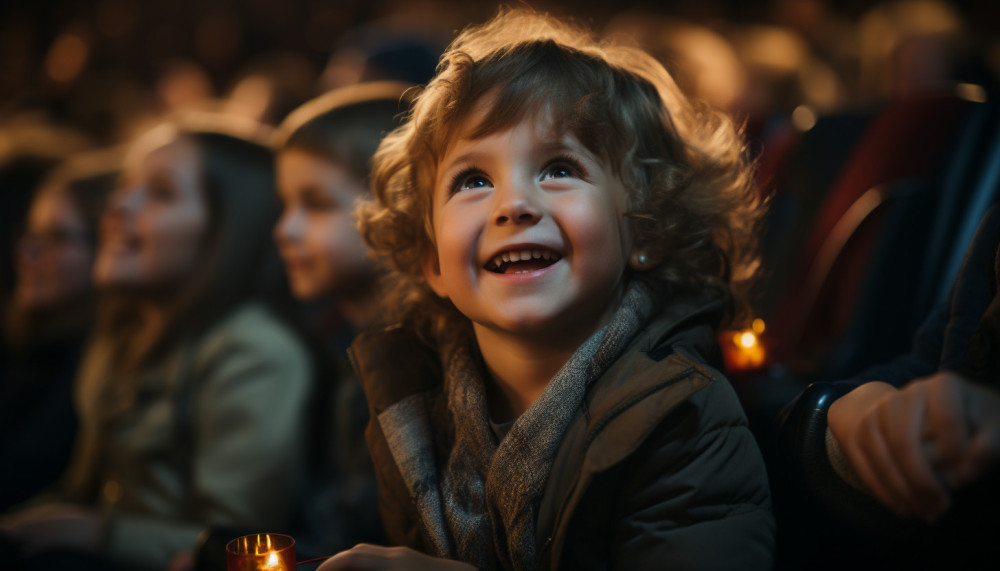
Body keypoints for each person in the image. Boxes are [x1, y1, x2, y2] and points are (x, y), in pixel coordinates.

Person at [319, 8, 774, 570]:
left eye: (559, 168)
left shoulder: (685, 420)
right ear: (430, 258)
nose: (513, 205)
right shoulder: (413, 411)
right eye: (474, 180)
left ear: (645, 230)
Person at [0, 115, 314, 571]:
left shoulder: (255, 351)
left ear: (227, 229)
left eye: (160, 193)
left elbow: (240, 544)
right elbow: (80, 492)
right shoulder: (126, 330)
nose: (118, 205)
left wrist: (99, 532)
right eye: (125, 186)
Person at [270, 81, 414, 555]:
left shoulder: (416, 357)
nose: (284, 229)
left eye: (315, 204)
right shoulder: (331, 339)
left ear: (396, 208)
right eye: (284, 205)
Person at [1, 151, 118, 511]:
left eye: (57, 236)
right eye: (30, 233)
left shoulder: (99, 355)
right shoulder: (28, 342)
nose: (28, 251)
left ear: (106, 246)